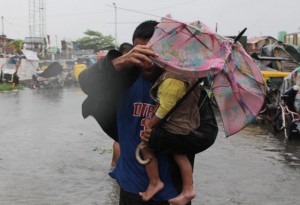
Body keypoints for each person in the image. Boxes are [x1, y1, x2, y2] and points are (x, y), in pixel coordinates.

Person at [79, 20, 218, 205]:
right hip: (131, 188)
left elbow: (207, 134)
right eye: (140, 53)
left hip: (173, 194)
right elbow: (86, 83)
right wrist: (119, 62)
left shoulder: (186, 85)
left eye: (153, 53)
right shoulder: (124, 79)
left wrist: (165, 139)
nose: (146, 62)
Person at [139, 71, 201, 204]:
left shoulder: (174, 79)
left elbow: (165, 109)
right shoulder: (191, 76)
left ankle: (157, 183)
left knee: (147, 148)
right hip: (185, 124)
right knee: (180, 156)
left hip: (175, 126)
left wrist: (151, 123)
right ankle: (187, 189)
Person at [111, 42, 134, 170]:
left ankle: (114, 164)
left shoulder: (116, 66)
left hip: (118, 106)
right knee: (120, 140)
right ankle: (117, 165)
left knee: (117, 139)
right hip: (125, 106)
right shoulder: (128, 68)